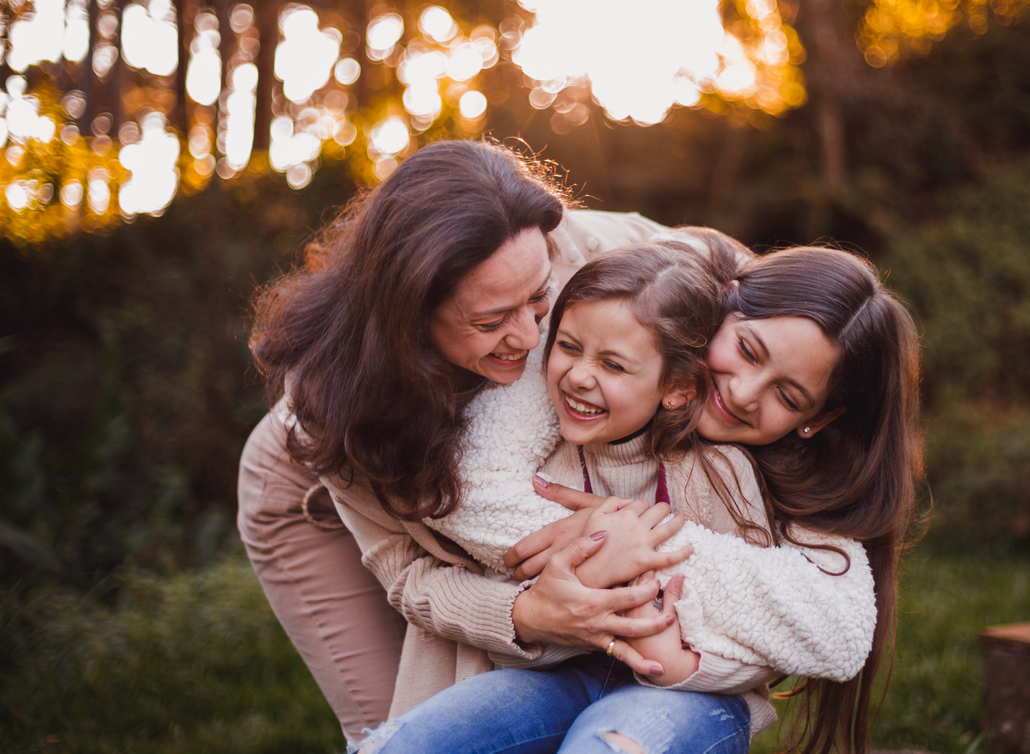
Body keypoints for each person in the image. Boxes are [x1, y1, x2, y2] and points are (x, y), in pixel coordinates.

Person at [332, 234, 919, 754]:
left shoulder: (764, 474)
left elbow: (825, 628)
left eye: (789, 398)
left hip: (684, 690)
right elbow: (449, 524)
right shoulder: (576, 332)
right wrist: (541, 601)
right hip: (545, 661)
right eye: (747, 350)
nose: (742, 392)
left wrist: (638, 551)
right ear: (721, 304)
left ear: (817, 419)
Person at [237, 139, 689, 742]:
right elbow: (407, 575)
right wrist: (523, 614)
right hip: (301, 487)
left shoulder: (579, 251)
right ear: (410, 317)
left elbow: (734, 282)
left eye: (538, 300)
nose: (530, 337)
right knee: (401, 725)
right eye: (490, 321)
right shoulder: (340, 399)